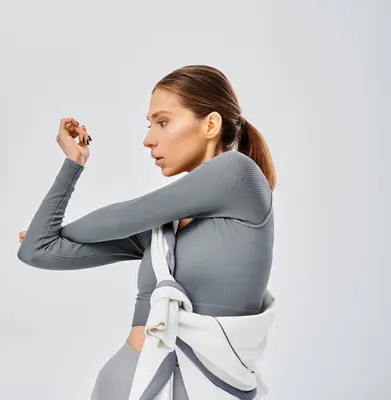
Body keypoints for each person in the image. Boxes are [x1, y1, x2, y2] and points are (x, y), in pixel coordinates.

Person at [16, 65, 276, 399]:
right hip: (121, 384)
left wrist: (65, 229)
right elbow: (36, 250)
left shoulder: (239, 173)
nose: (148, 138)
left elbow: (125, 217)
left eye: (163, 122)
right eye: (150, 124)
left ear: (210, 125)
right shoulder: (161, 231)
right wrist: (74, 161)